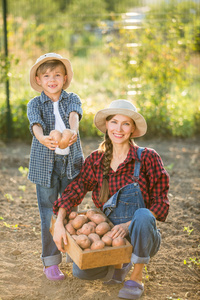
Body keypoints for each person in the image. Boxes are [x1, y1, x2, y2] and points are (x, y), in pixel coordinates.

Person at [53, 99, 170, 299]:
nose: (119, 128)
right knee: (82, 272)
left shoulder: (148, 158)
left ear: (133, 129)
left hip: (140, 233)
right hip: (107, 234)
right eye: (114, 122)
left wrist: (127, 224)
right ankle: (118, 264)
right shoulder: (96, 160)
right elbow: (76, 188)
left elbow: (161, 205)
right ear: (107, 125)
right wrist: (59, 222)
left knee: (142, 215)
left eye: (126, 123)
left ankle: (136, 276)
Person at [27, 53, 84, 281]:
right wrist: (42, 138)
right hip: (45, 165)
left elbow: (74, 117)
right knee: (48, 211)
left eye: (57, 75)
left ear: (65, 77)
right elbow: (36, 125)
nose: (52, 79)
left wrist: (73, 131)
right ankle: (50, 261)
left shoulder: (72, 98)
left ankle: (72, 251)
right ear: (39, 80)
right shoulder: (34, 103)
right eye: (47, 75)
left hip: (71, 164)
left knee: (70, 210)